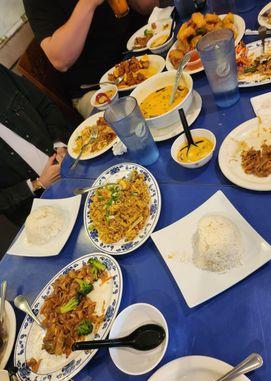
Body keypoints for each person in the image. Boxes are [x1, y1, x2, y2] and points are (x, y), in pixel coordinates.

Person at [23, 0, 160, 117]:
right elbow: (60, 60)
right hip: (95, 87)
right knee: (134, 123)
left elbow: (149, 5)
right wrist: (88, 3)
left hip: (142, 53)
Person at [0, 64, 73, 227]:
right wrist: (38, 184)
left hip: (70, 161)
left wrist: (60, 145)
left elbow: (44, 105)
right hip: (38, 208)